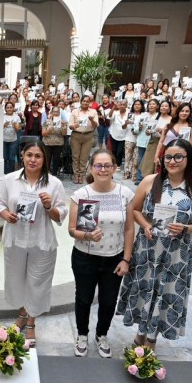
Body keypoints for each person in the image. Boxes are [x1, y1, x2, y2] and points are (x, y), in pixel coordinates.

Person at [117, 139, 192, 350]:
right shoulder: (150, 181)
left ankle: (152, 338)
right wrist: (146, 225)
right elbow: (135, 210)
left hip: (176, 254)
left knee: (165, 292)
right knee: (145, 290)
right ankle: (140, 332)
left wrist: (186, 228)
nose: (172, 161)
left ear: (188, 159)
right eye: (168, 156)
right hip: (148, 249)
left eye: (178, 157)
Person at [0, 140, 68, 347]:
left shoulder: (54, 183)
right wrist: (6, 214)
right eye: (29, 155)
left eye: (38, 156)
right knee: (16, 280)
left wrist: (48, 206)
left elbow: (60, 215)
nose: (33, 160)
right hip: (15, 239)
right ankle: (21, 314)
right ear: (22, 156)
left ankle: (31, 322)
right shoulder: (9, 179)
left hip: (41, 241)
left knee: (38, 283)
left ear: (44, 159)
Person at [69, 150, 135, 358]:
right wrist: (87, 236)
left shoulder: (125, 194)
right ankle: (82, 335)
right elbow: (72, 230)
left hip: (114, 258)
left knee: (108, 301)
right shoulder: (81, 195)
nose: (103, 169)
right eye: (98, 165)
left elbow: (129, 229)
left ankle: (101, 335)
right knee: (83, 298)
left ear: (115, 168)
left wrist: (126, 259)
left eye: (107, 165)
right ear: (91, 168)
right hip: (85, 257)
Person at [69, 95, 98, 183]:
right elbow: (70, 126)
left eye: (87, 101)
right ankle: (76, 174)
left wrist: (92, 120)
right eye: (84, 101)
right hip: (76, 135)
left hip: (88, 136)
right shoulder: (75, 111)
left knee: (84, 157)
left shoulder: (93, 112)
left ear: (89, 103)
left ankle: (81, 175)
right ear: (81, 102)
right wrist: (74, 125)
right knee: (75, 157)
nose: (85, 103)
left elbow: (96, 126)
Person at [42, 106, 67, 176]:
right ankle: (46, 174)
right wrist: (49, 131)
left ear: (59, 113)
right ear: (51, 112)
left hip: (58, 143)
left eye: (57, 112)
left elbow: (64, 134)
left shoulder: (62, 122)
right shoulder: (47, 121)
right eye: (54, 111)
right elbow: (43, 134)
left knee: (56, 160)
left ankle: (54, 174)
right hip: (47, 143)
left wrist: (63, 126)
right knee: (47, 159)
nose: (56, 113)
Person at [3, 101, 22, 174]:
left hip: (13, 140)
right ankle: (4, 173)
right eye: (7, 108)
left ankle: (11, 173)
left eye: (11, 107)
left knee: (11, 158)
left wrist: (15, 127)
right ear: (5, 109)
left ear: (13, 108)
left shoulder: (16, 117)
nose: (9, 109)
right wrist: (4, 126)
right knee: (4, 158)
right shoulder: (2, 116)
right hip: (3, 140)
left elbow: (18, 130)